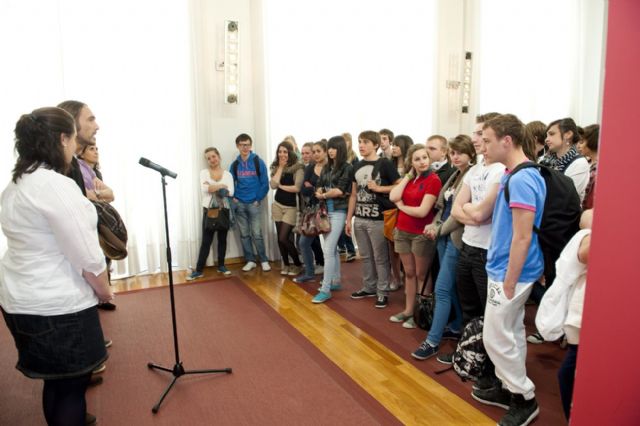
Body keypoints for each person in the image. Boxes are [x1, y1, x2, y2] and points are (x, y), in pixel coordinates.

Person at [0, 107, 112, 426]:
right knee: (71, 387)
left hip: (20, 302)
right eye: (73, 138)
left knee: (57, 380)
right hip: (57, 308)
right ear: (63, 139)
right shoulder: (56, 186)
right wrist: (104, 291)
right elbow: (88, 256)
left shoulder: (16, 184)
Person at [471, 114, 543, 426]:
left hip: (510, 272)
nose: (481, 146)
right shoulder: (515, 174)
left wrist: (510, 279)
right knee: (511, 333)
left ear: (506, 141)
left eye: (487, 140)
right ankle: (508, 387)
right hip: (505, 268)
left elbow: (523, 236)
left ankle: (524, 398)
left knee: (495, 338)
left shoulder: (523, 178)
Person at [441, 113, 503, 382]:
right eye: (476, 133)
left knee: (488, 313)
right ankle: (469, 353)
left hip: (487, 252)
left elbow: (479, 215)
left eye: (481, 134)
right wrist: (472, 212)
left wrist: (471, 212)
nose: (476, 139)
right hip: (467, 246)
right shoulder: (475, 170)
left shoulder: (501, 171)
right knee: (469, 310)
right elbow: (458, 209)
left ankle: (489, 367)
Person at [412, 135, 475, 360]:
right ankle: (457, 325)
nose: (456, 157)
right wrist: (434, 225)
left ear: (471, 154)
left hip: (456, 237)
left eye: (461, 153)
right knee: (451, 288)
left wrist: (438, 229)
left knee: (441, 289)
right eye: (453, 153)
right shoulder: (456, 175)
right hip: (443, 236)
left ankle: (432, 340)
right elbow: (444, 207)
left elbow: (460, 215)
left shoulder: (472, 176)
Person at [388, 144, 442, 329]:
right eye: (417, 159)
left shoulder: (433, 180)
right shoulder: (410, 179)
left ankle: (421, 313)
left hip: (420, 233)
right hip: (402, 231)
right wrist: (408, 176)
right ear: (411, 162)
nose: (422, 162)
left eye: (425, 157)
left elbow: (422, 211)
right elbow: (393, 196)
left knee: (421, 275)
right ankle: (408, 310)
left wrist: (402, 207)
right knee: (409, 274)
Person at [346, 131, 400, 309]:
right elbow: (353, 194)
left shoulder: (385, 164)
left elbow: (399, 185)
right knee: (366, 256)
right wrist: (349, 219)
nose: (361, 145)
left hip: (378, 218)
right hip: (360, 218)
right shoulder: (357, 165)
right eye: (360, 142)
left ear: (376, 144)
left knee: (380, 257)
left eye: (366, 142)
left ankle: (382, 291)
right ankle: (369, 286)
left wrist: (379, 188)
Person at [312, 136, 353, 303]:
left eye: (334, 148)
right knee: (332, 249)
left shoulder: (347, 167)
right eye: (329, 147)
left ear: (341, 149)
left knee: (328, 250)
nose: (330, 150)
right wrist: (322, 192)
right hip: (324, 212)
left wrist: (324, 193)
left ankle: (325, 289)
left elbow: (340, 191)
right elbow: (319, 186)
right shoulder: (327, 167)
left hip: (338, 211)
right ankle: (335, 280)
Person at [187, 147, 234, 280]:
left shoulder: (228, 175)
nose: (212, 160)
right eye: (208, 158)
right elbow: (204, 189)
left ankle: (221, 266)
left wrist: (213, 186)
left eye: (213, 156)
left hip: (223, 210)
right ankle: (199, 270)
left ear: (218, 156)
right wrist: (221, 186)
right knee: (206, 241)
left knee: (222, 240)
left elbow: (231, 192)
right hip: (209, 211)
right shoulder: (204, 173)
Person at [229, 133, 271, 272]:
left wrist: (258, 199)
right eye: (242, 145)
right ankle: (250, 260)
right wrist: (234, 197)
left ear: (251, 145)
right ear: (237, 146)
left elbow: (265, 183)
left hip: (254, 203)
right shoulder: (235, 165)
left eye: (247, 144)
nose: (245, 147)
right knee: (244, 234)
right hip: (239, 203)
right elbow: (230, 183)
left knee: (257, 234)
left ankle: (264, 260)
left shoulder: (258, 162)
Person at [293, 141, 327, 283]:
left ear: (325, 152)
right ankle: (309, 272)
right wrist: (316, 189)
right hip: (312, 210)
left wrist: (312, 187)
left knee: (331, 247)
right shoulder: (310, 168)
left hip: (329, 210)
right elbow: (303, 190)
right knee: (303, 242)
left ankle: (331, 277)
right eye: (313, 152)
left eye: (317, 151)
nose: (314, 154)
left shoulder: (330, 168)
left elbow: (329, 189)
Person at [269, 141, 304, 276]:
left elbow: (297, 187)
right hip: (278, 204)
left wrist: (281, 186)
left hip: (291, 207)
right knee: (279, 238)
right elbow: (273, 185)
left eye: (285, 151)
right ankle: (286, 265)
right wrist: (281, 167)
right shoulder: (276, 166)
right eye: (280, 151)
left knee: (284, 238)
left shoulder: (298, 167)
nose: (282, 154)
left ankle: (297, 264)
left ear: (290, 152)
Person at [540, 118, 590, 203]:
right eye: (547, 135)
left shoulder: (579, 163)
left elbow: (566, 196)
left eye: (552, 134)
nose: (546, 139)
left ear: (568, 134)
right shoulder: (544, 160)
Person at [388, 135, 414, 291]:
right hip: (391, 208)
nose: (394, 148)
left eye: (397, 145)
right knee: (392, 246)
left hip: (406, 207)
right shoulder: (389, 164)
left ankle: (407, 276)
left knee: (407, 247)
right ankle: (396, 277)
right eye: (393, 145)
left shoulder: (411, 166)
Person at [337, 132, 358, 262]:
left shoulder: (354, 158)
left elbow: (355, 178)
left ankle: (350, 249)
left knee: (345, 224)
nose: (345, 143)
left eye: (347, 141)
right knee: (336, 224)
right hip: (337, 194)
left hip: (348, 195)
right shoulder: (338, 158)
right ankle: (341, 247)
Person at [576, 124, 599, 210]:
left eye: (581, 142)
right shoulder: (586, 163)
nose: (579, 146)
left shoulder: (598, 169)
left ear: (592, 141)